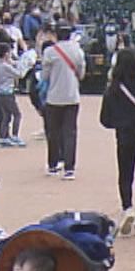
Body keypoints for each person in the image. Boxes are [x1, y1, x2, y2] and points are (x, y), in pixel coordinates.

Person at [99, 47, 135, 230]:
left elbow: (104, 119)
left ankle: (127, 207)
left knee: (125, 174)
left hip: (124, 136)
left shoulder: (113, 89)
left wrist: (119, 122)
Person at [38, 23, 85, 179]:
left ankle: (53, 164)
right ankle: (69, 168)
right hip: (72, 96)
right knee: (70, 132)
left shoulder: (50, 52)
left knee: (53, 132)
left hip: (54, 97)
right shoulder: (77, 50)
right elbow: (81, 73)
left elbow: (44, 76)